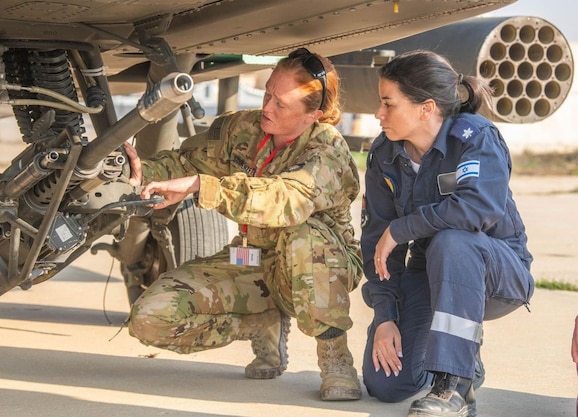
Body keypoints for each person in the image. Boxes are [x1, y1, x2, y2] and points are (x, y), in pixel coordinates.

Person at [124, 48, 363, 401]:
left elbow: (285, 200)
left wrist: (200, 187)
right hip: (250, 260)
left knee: (304, 238)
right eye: (267, 93)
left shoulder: (328, 152)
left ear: (315, 114)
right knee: (150, 317)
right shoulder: (246, 128)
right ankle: (259, 322)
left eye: (280, 104)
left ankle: (335, 358)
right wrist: (140, 170)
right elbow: (187, 161)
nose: (267, 107)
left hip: (318, 268)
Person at [359, 50, 535, 416]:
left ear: (426, 108)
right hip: (431, 272)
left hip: (496, 272)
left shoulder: (474, 138)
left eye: (388, 104)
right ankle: (464, 355)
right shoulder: (385, 154)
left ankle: (455, 388)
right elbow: (377, 241)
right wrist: (385, 315)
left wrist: (403, 227)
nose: (378, 114)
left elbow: (478, 208)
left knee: (453, 241)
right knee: (387, 384)